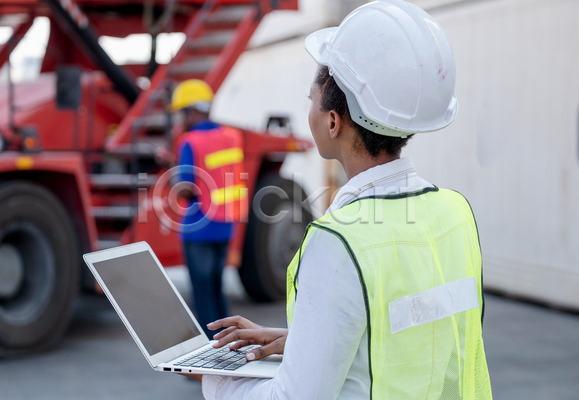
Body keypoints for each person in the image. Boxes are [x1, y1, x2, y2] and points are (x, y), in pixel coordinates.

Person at [184, 1, 493, 398]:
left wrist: (213, 376)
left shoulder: (340, 242)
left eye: (311, 98)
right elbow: (412, 330)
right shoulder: (455, 212)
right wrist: (300, 341)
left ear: (333, 121)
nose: (309, 109)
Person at [171, 79, 245, 339]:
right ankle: (229, 345)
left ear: (193, 111)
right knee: (217, 289)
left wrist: (173, 182)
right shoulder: (232, 136)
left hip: (198, 229)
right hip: (225, 225)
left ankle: (210, 359)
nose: (180, 120)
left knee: (203, 296)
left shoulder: (189, 141)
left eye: (182, 113)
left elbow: (187, 188)